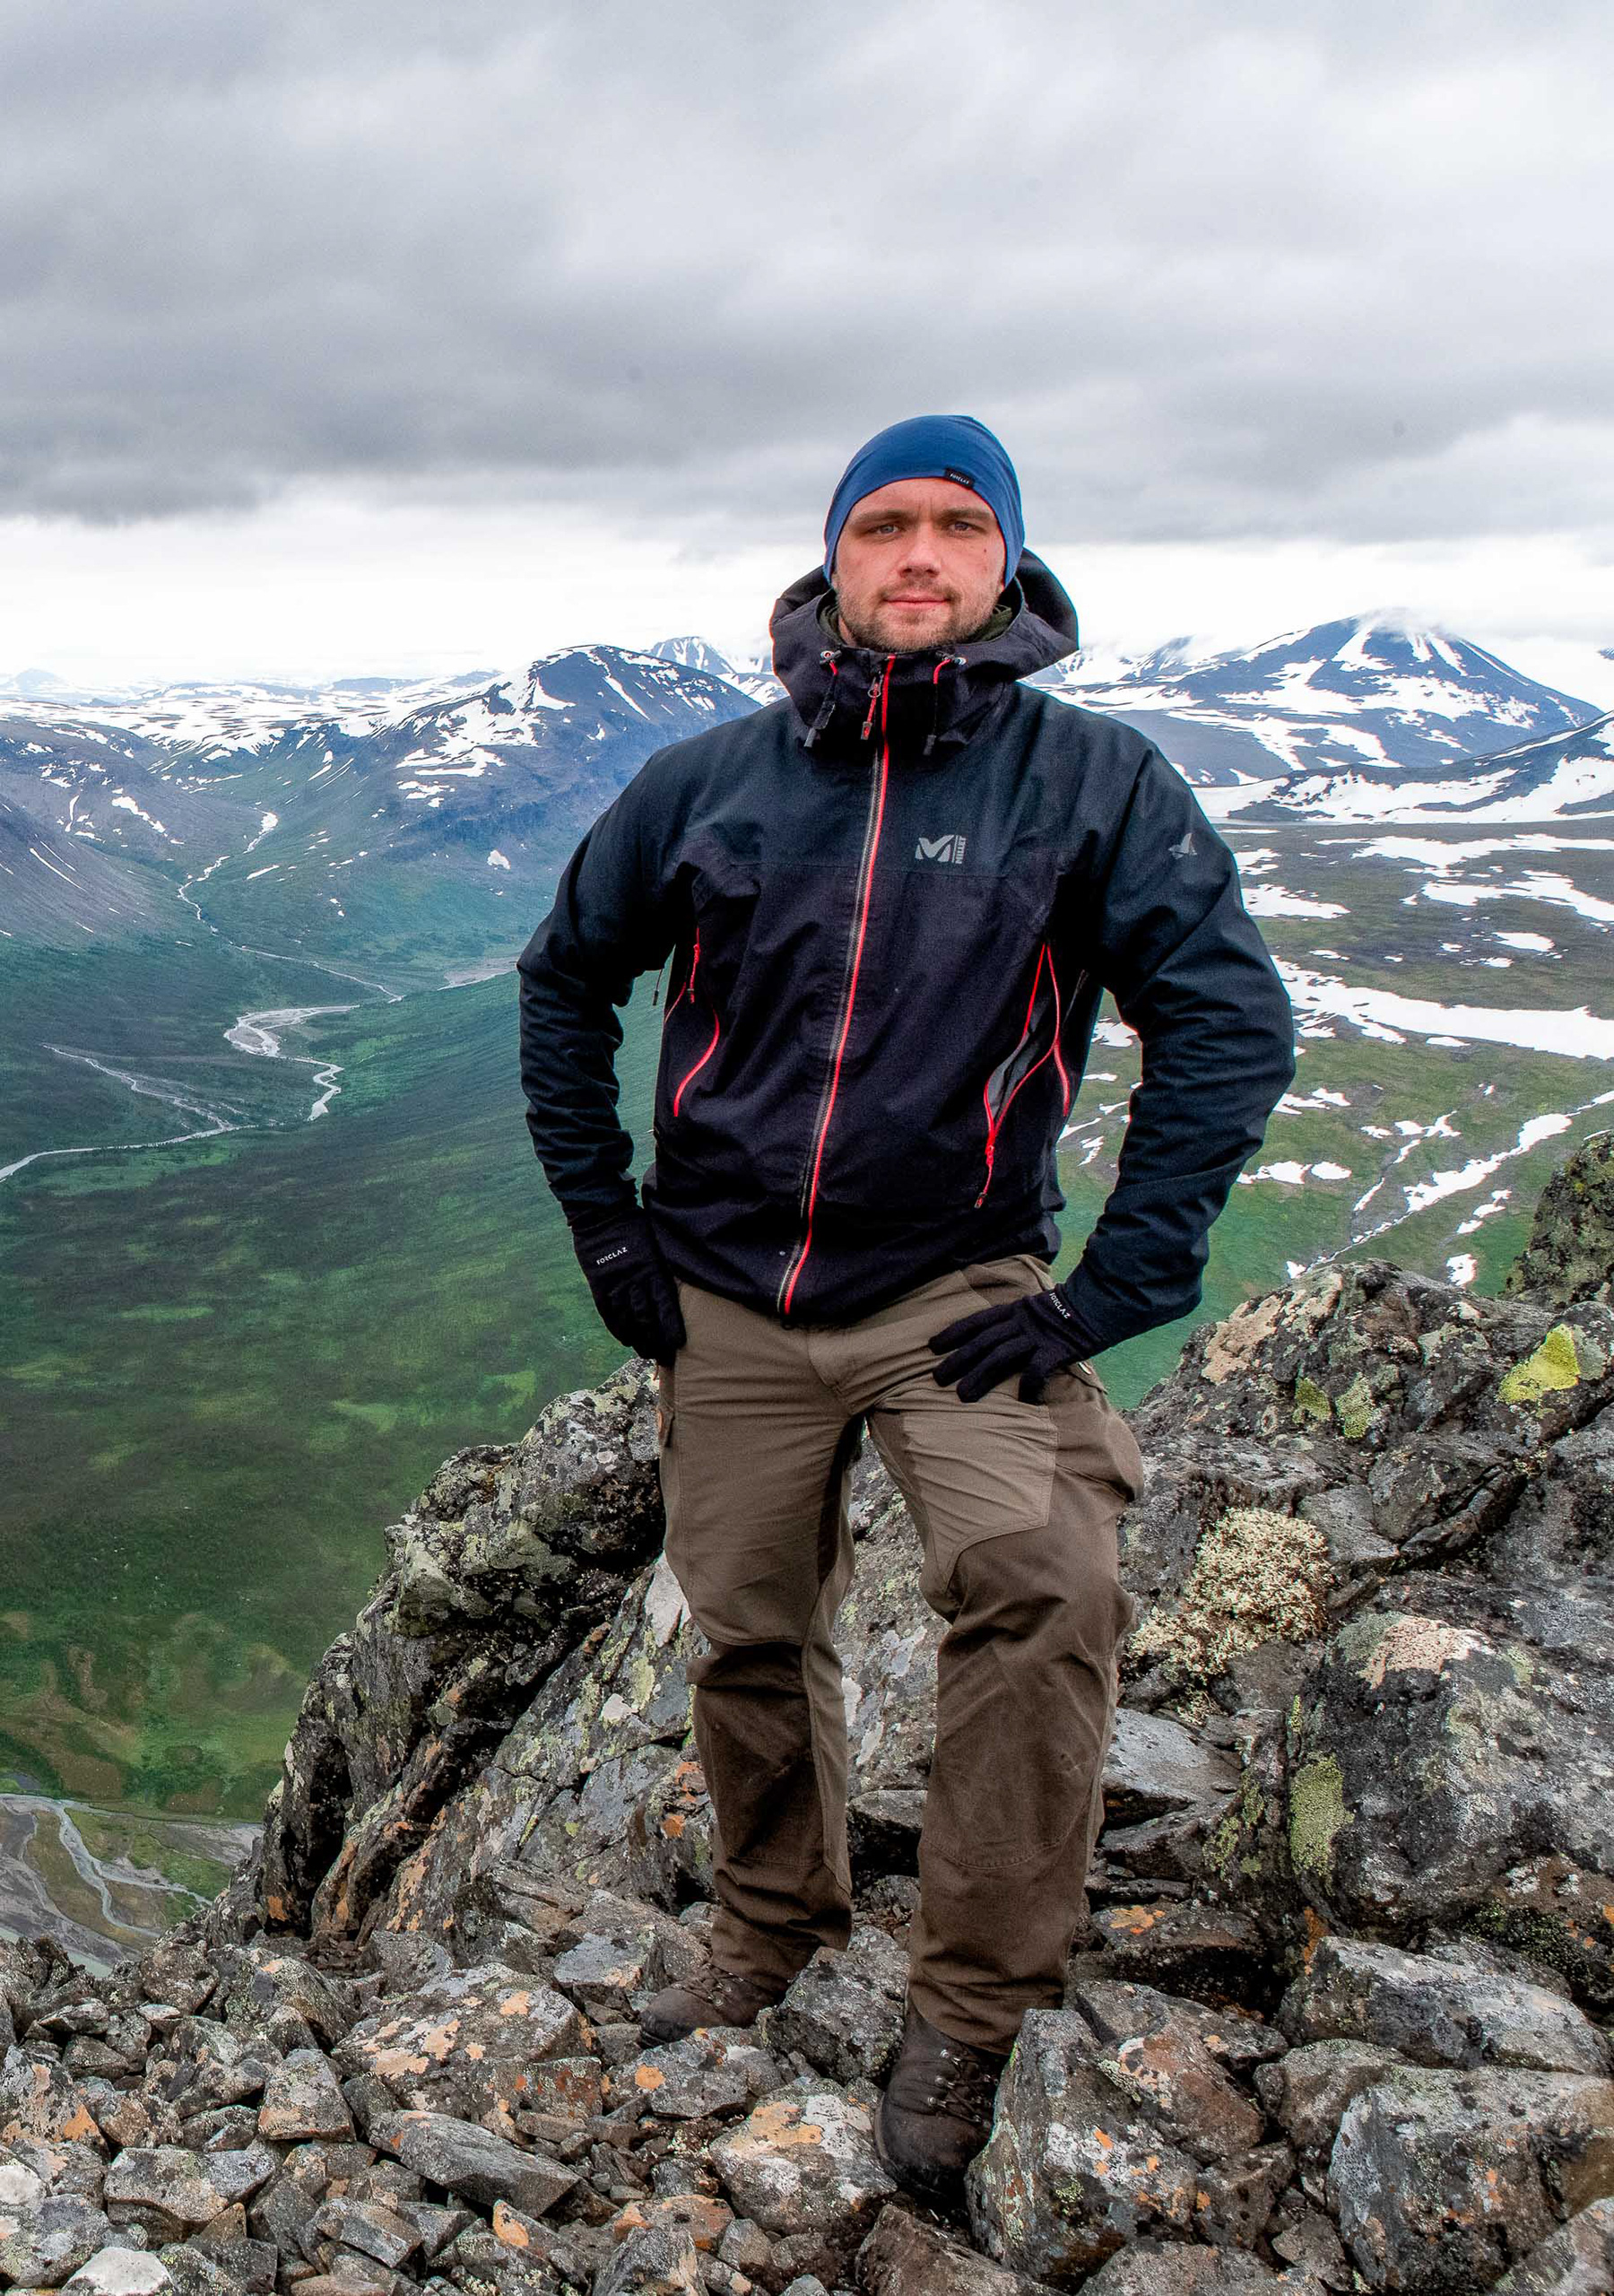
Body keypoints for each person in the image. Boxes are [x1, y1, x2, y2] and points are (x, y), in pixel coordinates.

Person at [514, 414, 1293, 2199]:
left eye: (958, 524)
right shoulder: (712, 781)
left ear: (1008, 559)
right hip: (727, 1294)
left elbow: (1228, 1020)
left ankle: (971, 2002)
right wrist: (607, 1228)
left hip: (962, 1294)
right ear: (834, 556)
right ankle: (772, 1920)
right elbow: (566, 977)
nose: (920, 553)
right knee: (747, 1624)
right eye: (884, 524)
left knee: (1044, 1586)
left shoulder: (1092, 783)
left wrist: (1118, 1285)